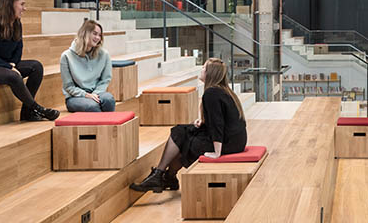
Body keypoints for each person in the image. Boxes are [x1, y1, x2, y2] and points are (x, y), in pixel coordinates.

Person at [131, 57, 248, 193]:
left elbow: (218, 124)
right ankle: (165, 176)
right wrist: (203, 122)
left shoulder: (212, 93)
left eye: (204, 68)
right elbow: (220, 119)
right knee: (180, 131)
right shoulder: (222, 90)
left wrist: (217, 153)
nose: (201, 69)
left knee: (184, 142)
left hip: (226, 144)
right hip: (235, 141)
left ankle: (163, 175)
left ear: (210, 73)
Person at [0, 0, 59, 122]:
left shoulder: (17, 23)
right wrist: (8, 67)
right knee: (13, 75)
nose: (25, 8)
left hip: (6, 65)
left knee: (36, 66)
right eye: (22, 4)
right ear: (10, 4)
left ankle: (27, 113)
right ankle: (37, 108)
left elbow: (19, 48)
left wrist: (12, 63)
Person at [60, 19, 115, 112]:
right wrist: (86, 95)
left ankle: (110, 126)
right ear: (85, 33)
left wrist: (95, 94)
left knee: (108, 100)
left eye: (100, 35)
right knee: (92, 106)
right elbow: (68, 86)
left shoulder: (104, 54)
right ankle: (102, 126)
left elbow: (105, 80)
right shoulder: (66, 56)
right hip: (75, 97)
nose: (98, 38)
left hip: (97, 93)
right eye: (94, 33)